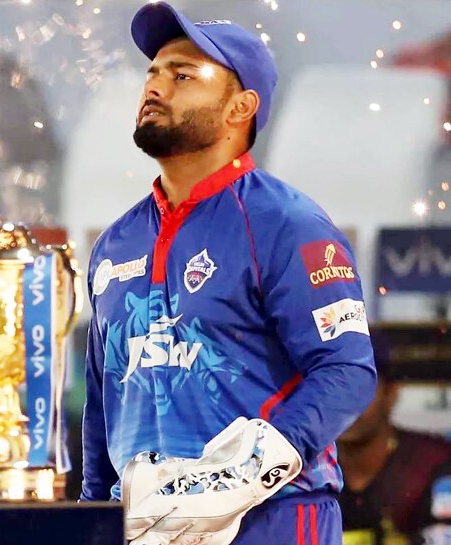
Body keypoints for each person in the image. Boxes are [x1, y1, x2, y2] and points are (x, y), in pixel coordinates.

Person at [80, 3, 376, 544]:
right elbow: (103, 401)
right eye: (152, 73)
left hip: (274, 521)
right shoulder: (114, 244)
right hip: (145, 530)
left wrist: (246, 472)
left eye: (183, 76)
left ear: (241, 107)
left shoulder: (289, 224)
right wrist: (92, 514)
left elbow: (347, 371)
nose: (155, 86)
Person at [338, 328, 451, 545]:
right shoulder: (303, 471)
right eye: (335, 388)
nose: (347, 403)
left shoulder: (435, 464)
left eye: (361, 388)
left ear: (391, 392)